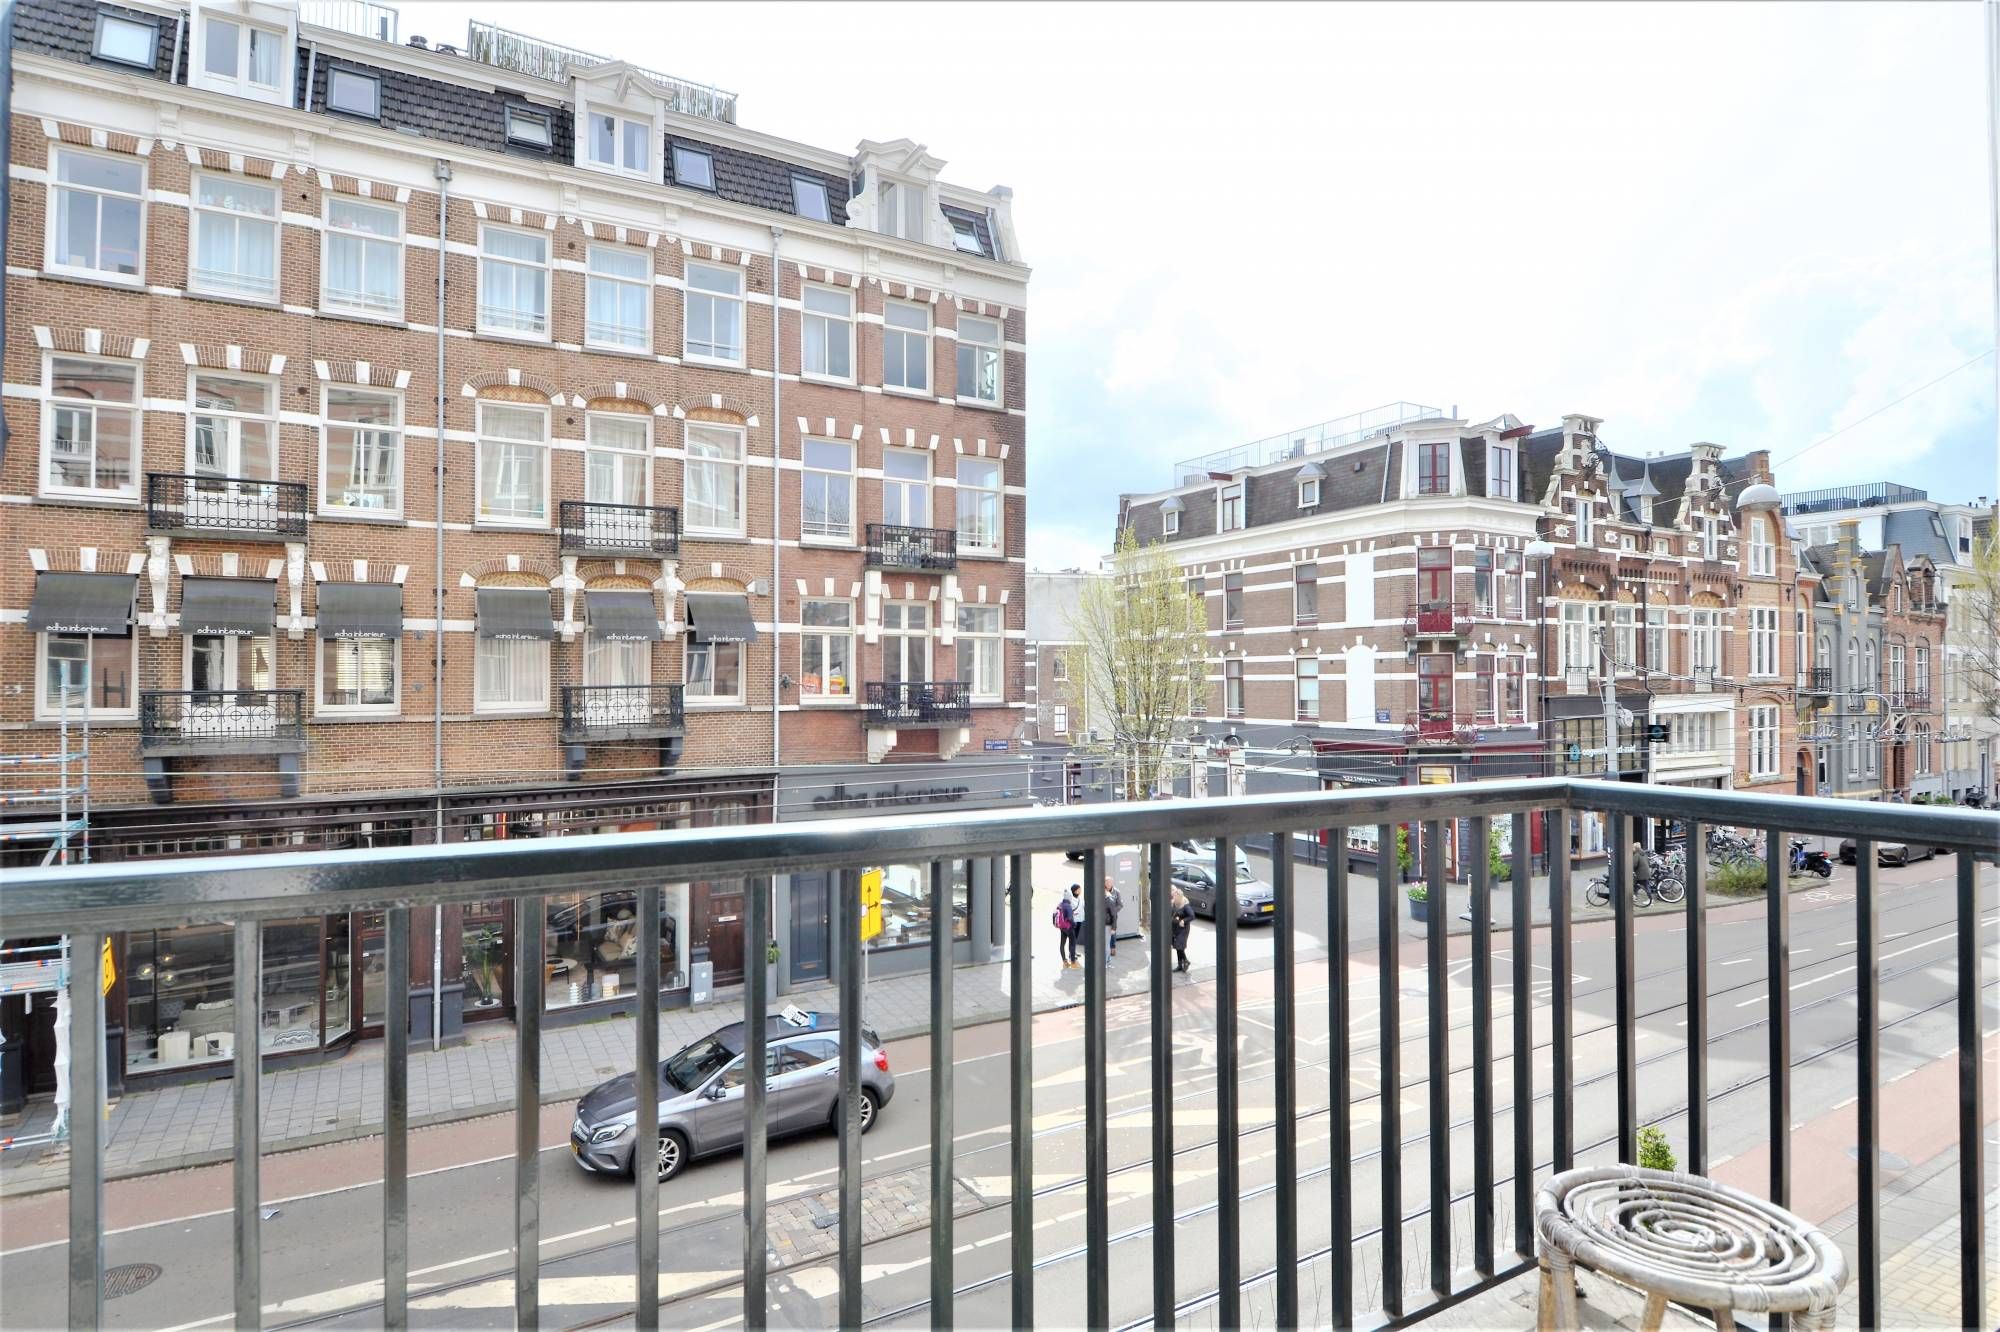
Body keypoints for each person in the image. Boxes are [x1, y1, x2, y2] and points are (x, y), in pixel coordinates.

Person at [1169, 887, 1194, 974]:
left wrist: (1183, 920)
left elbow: (1192, 916)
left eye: (1175, 896)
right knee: (1177, 947)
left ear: (1179, 896)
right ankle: (1180, 965)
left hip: (1183, 930)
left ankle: (1185, 961)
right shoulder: (1174, 903)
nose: (1173, 897)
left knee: (1179, 946)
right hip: (1175, 929)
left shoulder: (1185, 905)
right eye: (1173, 896)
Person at [1055, 885, 1078, 968]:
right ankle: (1073, 962)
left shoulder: (1060, 904)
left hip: (1062, 927)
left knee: (1062, 944)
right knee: (1072, 943)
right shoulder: (1068, 906)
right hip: (1069, 928)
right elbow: (1070, 918)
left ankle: (1064, 961)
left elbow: (1062, 915)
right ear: (1069, 897)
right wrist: (1074, 924)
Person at [1067, 884, 1087, 968]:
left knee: (1076, 937)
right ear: (1074, 890)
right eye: (1078, 889)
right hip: (1073, 921)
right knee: (1072, 938)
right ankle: (1071, 954)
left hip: (1080, 920)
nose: (1080, 891)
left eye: (1080, 889)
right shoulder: (1070, 899)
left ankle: (1074, 952)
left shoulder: (1080, 899)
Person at [1103, 876, 1123, 961]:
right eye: (1107, 882)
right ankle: (1106, 953)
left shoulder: (1116, 892)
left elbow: (1120, 905)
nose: (1108, 884)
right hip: (1104, 917)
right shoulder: (1102, 891)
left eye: (1110, 882)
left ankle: (1112, 947)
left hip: (1113, 916)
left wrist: (1113, 910)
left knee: (1113, 933)